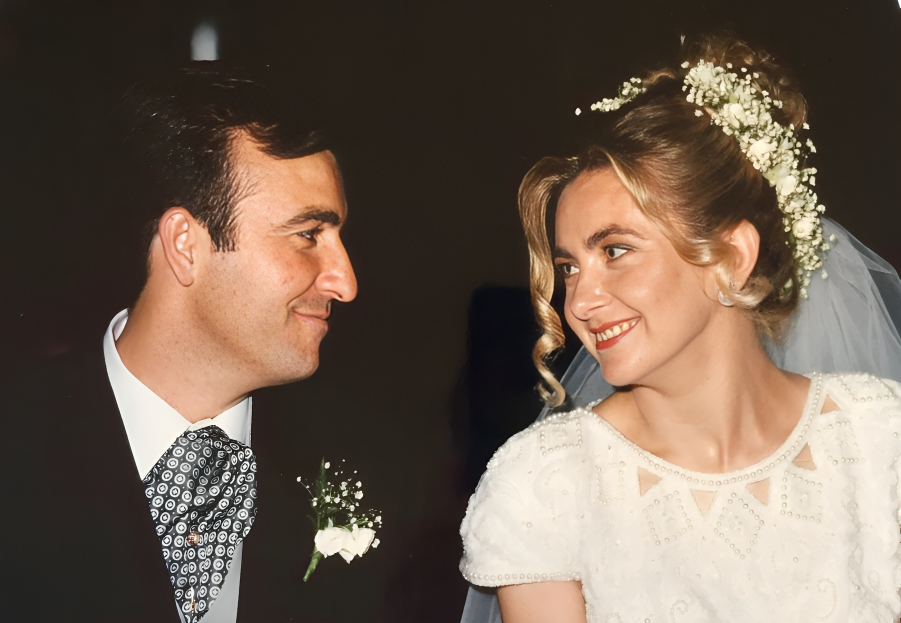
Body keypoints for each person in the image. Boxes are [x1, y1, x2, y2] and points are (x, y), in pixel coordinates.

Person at [458, 35, 901, 623]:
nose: (580, 302)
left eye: (615, 251)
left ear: (731, 258)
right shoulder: (547, 485)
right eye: (569, 268)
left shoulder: (880, 439)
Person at [0, 64, 357, 622]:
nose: (345, 282)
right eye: (308, 235)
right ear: (185, 245)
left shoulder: (382, 471)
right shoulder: (16, 443)